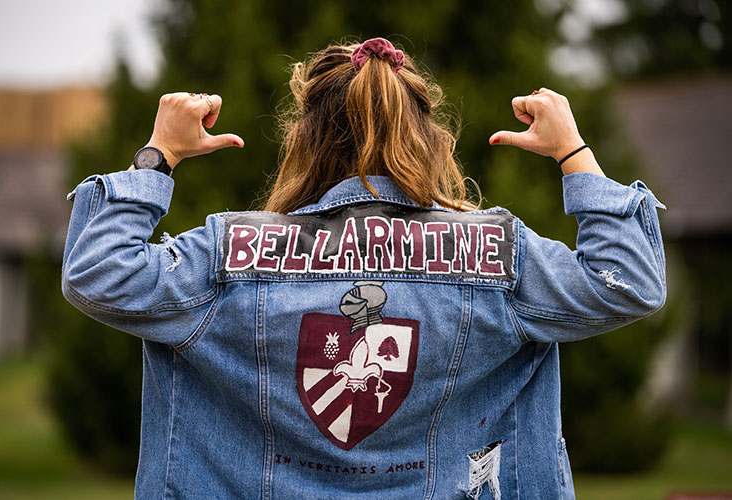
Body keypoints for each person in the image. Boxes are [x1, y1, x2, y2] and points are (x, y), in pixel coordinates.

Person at [62, 38, 666, 500]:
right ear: (432, 138)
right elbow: (628, 281)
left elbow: (98, 273)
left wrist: (157, 155)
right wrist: (574, 155)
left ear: (304, 140)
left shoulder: (227, 254)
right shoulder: (498, 255)